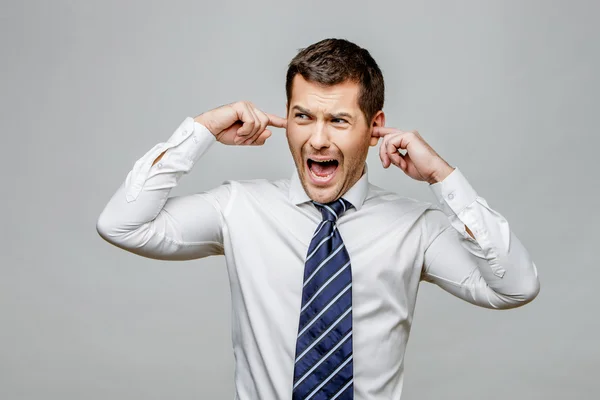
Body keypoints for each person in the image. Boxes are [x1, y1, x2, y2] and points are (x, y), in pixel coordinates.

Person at [96, 38, 540, 400]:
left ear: (374, 127)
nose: (318, 139)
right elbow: (121, 224)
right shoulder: (238, 208)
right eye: (303, 117)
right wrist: (202, 130)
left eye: (340, 120)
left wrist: (443, 177)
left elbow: (516, 287)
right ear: (286, 120)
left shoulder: (415, 227)